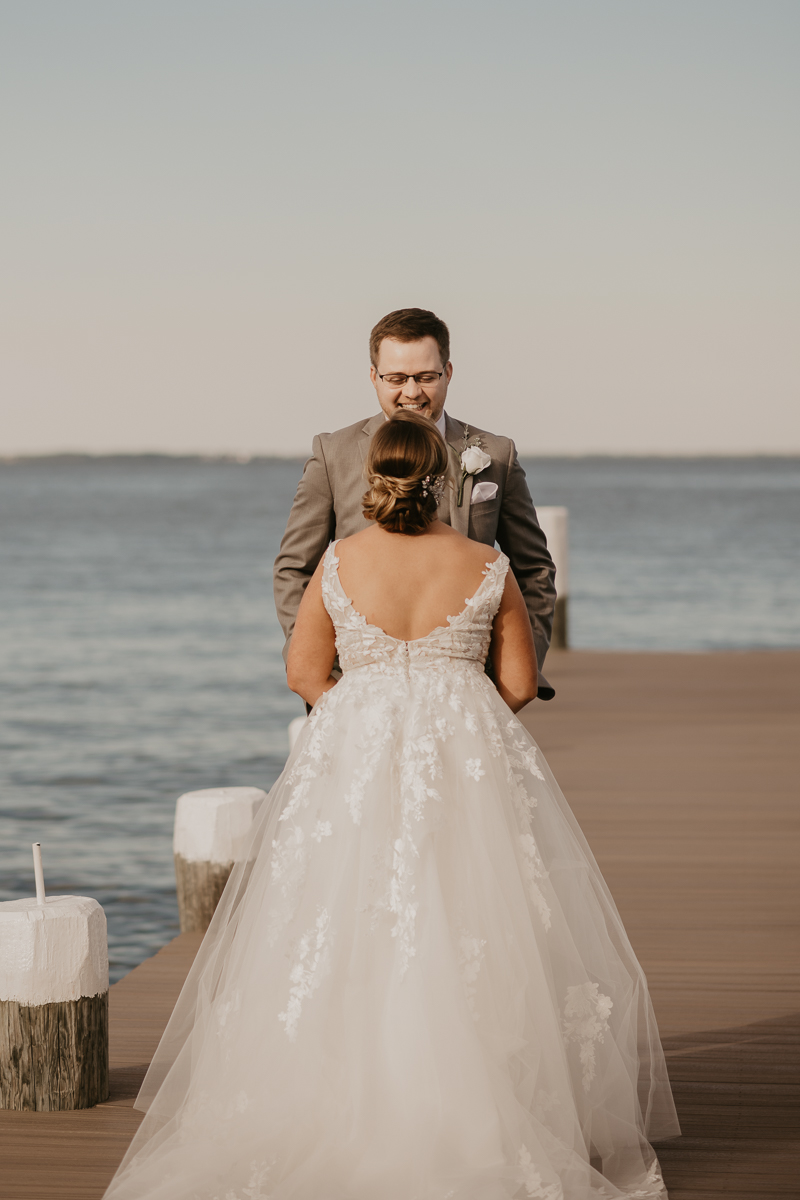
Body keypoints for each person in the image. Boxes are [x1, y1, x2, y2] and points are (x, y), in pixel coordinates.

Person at [103, 412, 678, 1200]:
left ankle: (338, 1098)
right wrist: (452, 718)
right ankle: (476, 1102)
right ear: (444, 480)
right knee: (475, 918)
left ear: (373, 479)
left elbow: (305, 670)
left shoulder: (340, 563)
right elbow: (515, 682)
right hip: (464, 762)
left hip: (356, 764)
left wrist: (367, 717)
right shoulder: (487, 564)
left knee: (342, 922)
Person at [274, 306, 558, 700]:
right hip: (356, 692)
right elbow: (294, 570)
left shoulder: (495, 453)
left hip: (469, 696)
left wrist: (511, 678)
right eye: (396, 378)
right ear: (373, 376)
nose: (411, 392)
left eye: (426, 377)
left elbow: (534, 572)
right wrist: (325, 677)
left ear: (448, 373)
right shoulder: (333, 453)